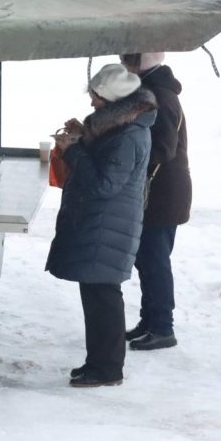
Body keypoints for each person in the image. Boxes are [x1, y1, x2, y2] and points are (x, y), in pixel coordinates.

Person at [46, 64, 157, 387]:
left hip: (107, 225)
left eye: (95, 96)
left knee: (104, 297)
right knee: (96, 295)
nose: (92, 102)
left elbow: (104, 184)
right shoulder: (122, 125)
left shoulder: (130, 135)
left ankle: (107, 370)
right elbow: (105, 160)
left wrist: (75, 150)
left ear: (109, 98)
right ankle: (97, 363)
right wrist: (83, 134)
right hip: (103, 224)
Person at [120, 52, 191, 350]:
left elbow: (162, 148)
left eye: (125, 60)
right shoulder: (155, 90)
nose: (123, 65)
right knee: (146, 260)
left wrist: (125, 158)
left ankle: (163, 327)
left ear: (137, 63)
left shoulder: (159, 95)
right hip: (160, 192)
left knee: (154, 261)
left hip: (161, 194)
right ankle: (149, 320)